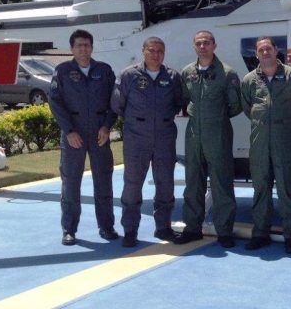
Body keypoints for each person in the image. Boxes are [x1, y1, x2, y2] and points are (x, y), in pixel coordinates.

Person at [110, 37, 183, 247]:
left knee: (165, 184)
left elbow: (179, 103)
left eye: (160, 51)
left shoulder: (172, 76)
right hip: (136, 137)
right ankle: (130, 230)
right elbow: (118, 104)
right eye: (152, 50)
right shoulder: (129, 75)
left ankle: (163, 228)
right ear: (143, 51)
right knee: (132, 185)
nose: (156, 54)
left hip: (164, 136)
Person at [241, 37, 291, 254]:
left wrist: (288, 123)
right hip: (259, 140)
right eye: (261, 50)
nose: (265, 53)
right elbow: (246, 106)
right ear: (256, 54)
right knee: (260, 188)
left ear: (276, 50)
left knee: (287, 188)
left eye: (268, 49)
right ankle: (261, 232)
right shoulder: (250, 80)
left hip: (284, 140)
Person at [49, 29, 118, 246]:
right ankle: (69, 229)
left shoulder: (104, 71)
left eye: (87, 45)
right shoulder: (62, 71)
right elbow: (55, 103)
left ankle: (106, 226)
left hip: (99, 134)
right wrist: (69, 131)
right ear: (72, 48)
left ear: (92, 47)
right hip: (74, 135)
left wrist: (107, 127)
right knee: (70, 183)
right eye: (79, 45)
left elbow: (114, 103)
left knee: (104, 181)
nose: (83, 49)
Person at [175, 31, 243, 248]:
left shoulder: (227, 73)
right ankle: (192, 228)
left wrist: (216, 117)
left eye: (206, 43)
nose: (202, 46)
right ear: (194, 47)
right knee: (193, 182)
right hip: (194, 132)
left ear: (215, 45)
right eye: (198, 43)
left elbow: (235, 105)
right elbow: (185, 100)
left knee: (221, 182)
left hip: (218, 132)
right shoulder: (187, 72)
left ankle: (224, 230)